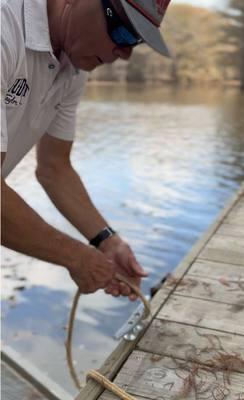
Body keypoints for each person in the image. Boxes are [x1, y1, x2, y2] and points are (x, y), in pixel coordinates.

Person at [1, 0, 171, 300]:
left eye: (136, 41)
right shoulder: (5, 28)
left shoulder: (73, 66)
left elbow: (55, 167)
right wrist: (75, 257)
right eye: (122, 32)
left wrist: (107, 242)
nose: (125, 54)